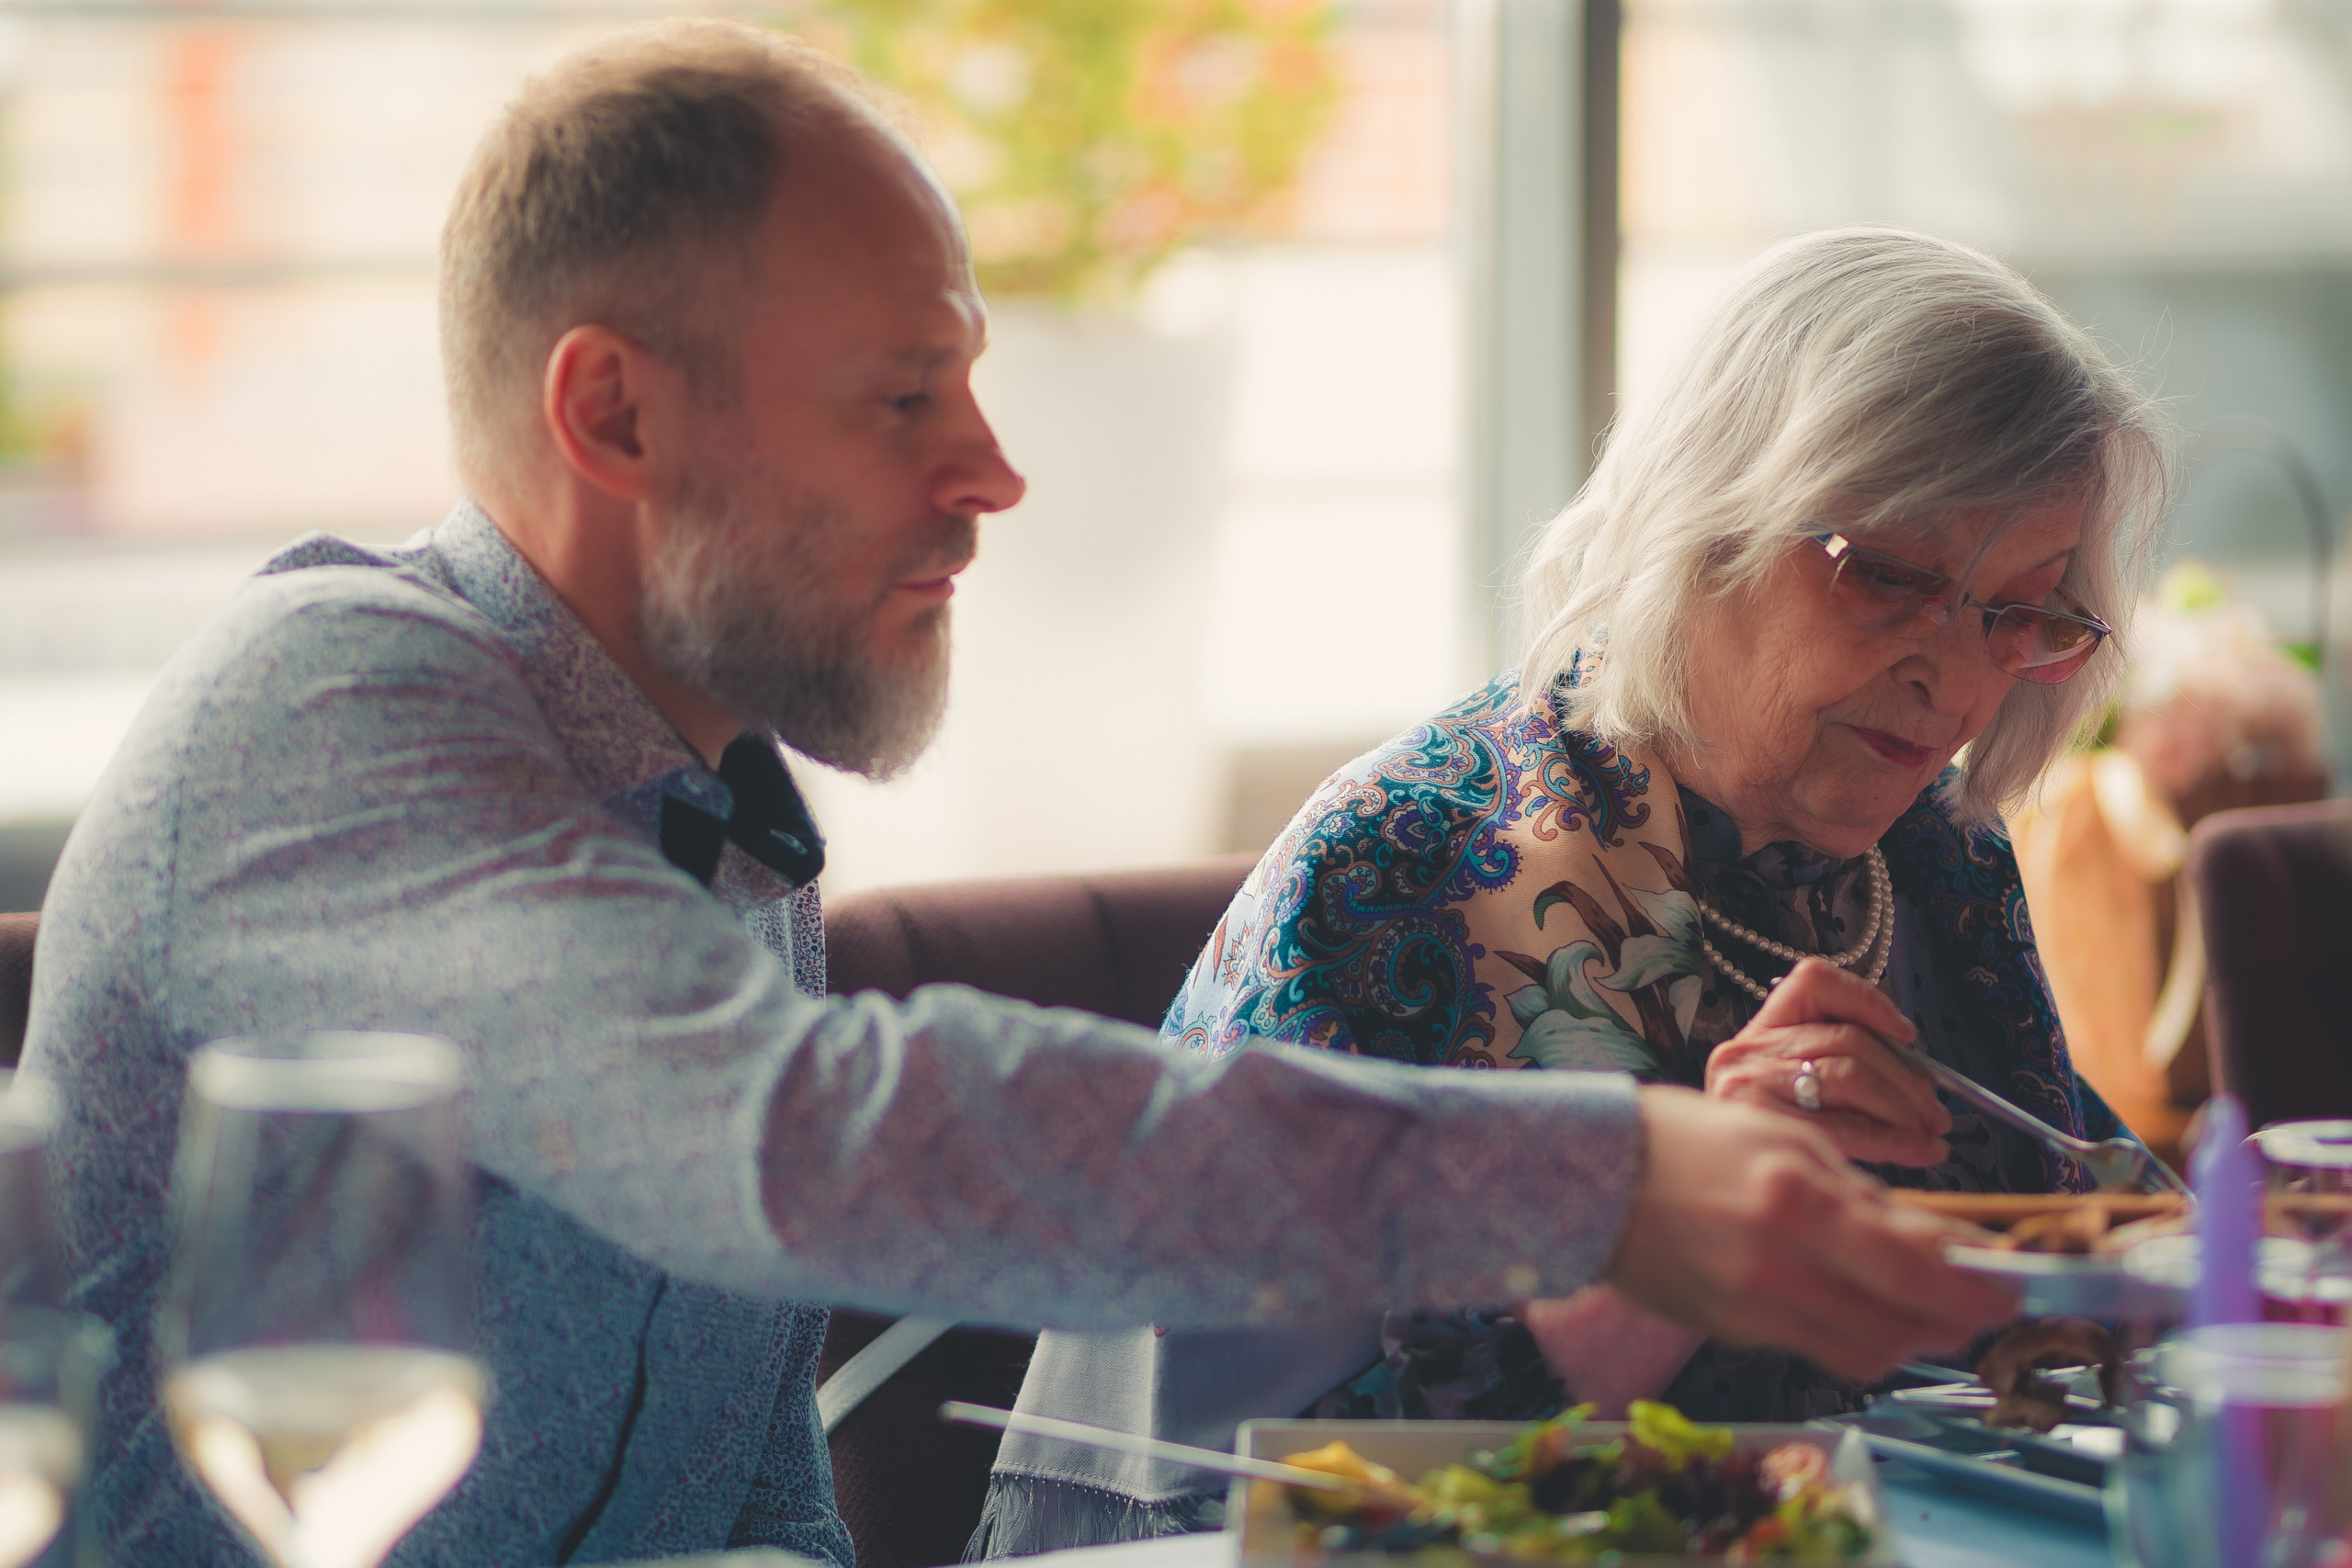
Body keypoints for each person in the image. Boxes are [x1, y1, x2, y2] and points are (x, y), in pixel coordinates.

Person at [22, 30, 2014, 1568]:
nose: (990, 470)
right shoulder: (333, 704)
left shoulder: (717, 800)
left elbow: (749, 1495)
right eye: (905, 397)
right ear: (613, 413)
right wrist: (1607, 1175)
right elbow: (796, 1132)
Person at [977, 225, 2169, 1555]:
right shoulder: (1398, 872)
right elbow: (1238, 1502)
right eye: (1889, 577)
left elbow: (2086, 1251)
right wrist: (1657, 1241)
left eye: (2023, 612)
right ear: (1710, 513)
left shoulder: (1933, 857)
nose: (1955, 681)